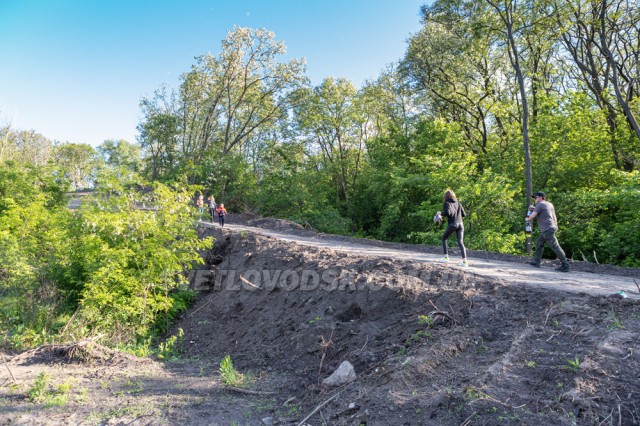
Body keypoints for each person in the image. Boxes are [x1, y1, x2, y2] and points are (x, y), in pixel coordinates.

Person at [525, 191, 571, 272]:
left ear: (541, 197)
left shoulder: (540, 204)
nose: (535, 199)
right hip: (552, 227)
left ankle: (566, 266)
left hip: (547, 229)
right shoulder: (549, 204)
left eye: (535, 197)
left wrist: (527, 219)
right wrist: (535, 209)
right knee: (539, 242)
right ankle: (536, 262)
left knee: (555, 247)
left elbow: (532, 217)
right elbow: (544, 212)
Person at [438, 189, 468, 267]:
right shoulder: (458, 203)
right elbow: (464, 214)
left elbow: (448, 213)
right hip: (461, 224)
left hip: (453, 224)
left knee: (444, 238)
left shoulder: (446, 203)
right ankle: (465, 262)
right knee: (461, 242)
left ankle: (446, 257)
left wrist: (440, 213)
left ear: (446, 197)